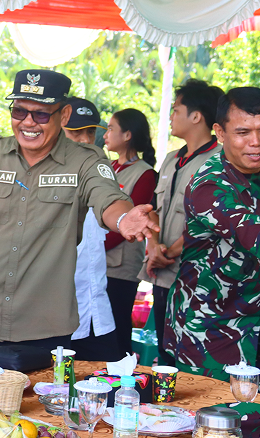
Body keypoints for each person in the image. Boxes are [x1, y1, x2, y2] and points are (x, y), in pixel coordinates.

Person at [0, 69, 159, 359]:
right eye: (19, 111)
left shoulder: (86, 161)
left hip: (44, 326)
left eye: (41, 114)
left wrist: (123, 219)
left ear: (64, 115)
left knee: (41, 392)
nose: (28, 122)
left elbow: (107, 197)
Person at [166, 87, 260, 400]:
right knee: (213, 417)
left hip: (255, 324)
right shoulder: (209, 183)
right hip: (208, 330)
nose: (256, 142)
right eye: (243, 132)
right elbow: (252, 234)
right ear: (220, 132)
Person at [138, 79, 223, 367]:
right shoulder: (172, 159)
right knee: (164, 350)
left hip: (196, 276)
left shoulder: (219, 161)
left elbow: (211, 221)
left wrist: (169, 252)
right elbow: (153, 208)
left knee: (190, 355)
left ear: (196, 116)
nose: (171, 116)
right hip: (162, 272)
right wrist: (153, 246)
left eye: (176, 110)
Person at [61, 98, 121, 362]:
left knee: (108, 381)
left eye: (90, 132)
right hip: (54, 318)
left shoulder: (102, 176)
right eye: (76, 132)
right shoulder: (40, 180)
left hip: (97, 313)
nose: (85, 140)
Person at [102, 108, 157, 355]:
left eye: (111, 128)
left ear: (127, 135)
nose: (106, 134)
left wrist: (94, 245)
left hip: (119, 267)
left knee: (116, 330)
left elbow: (131, 222)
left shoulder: (145, 174)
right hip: (98, 262)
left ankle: (120, 375)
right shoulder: (108, 167)